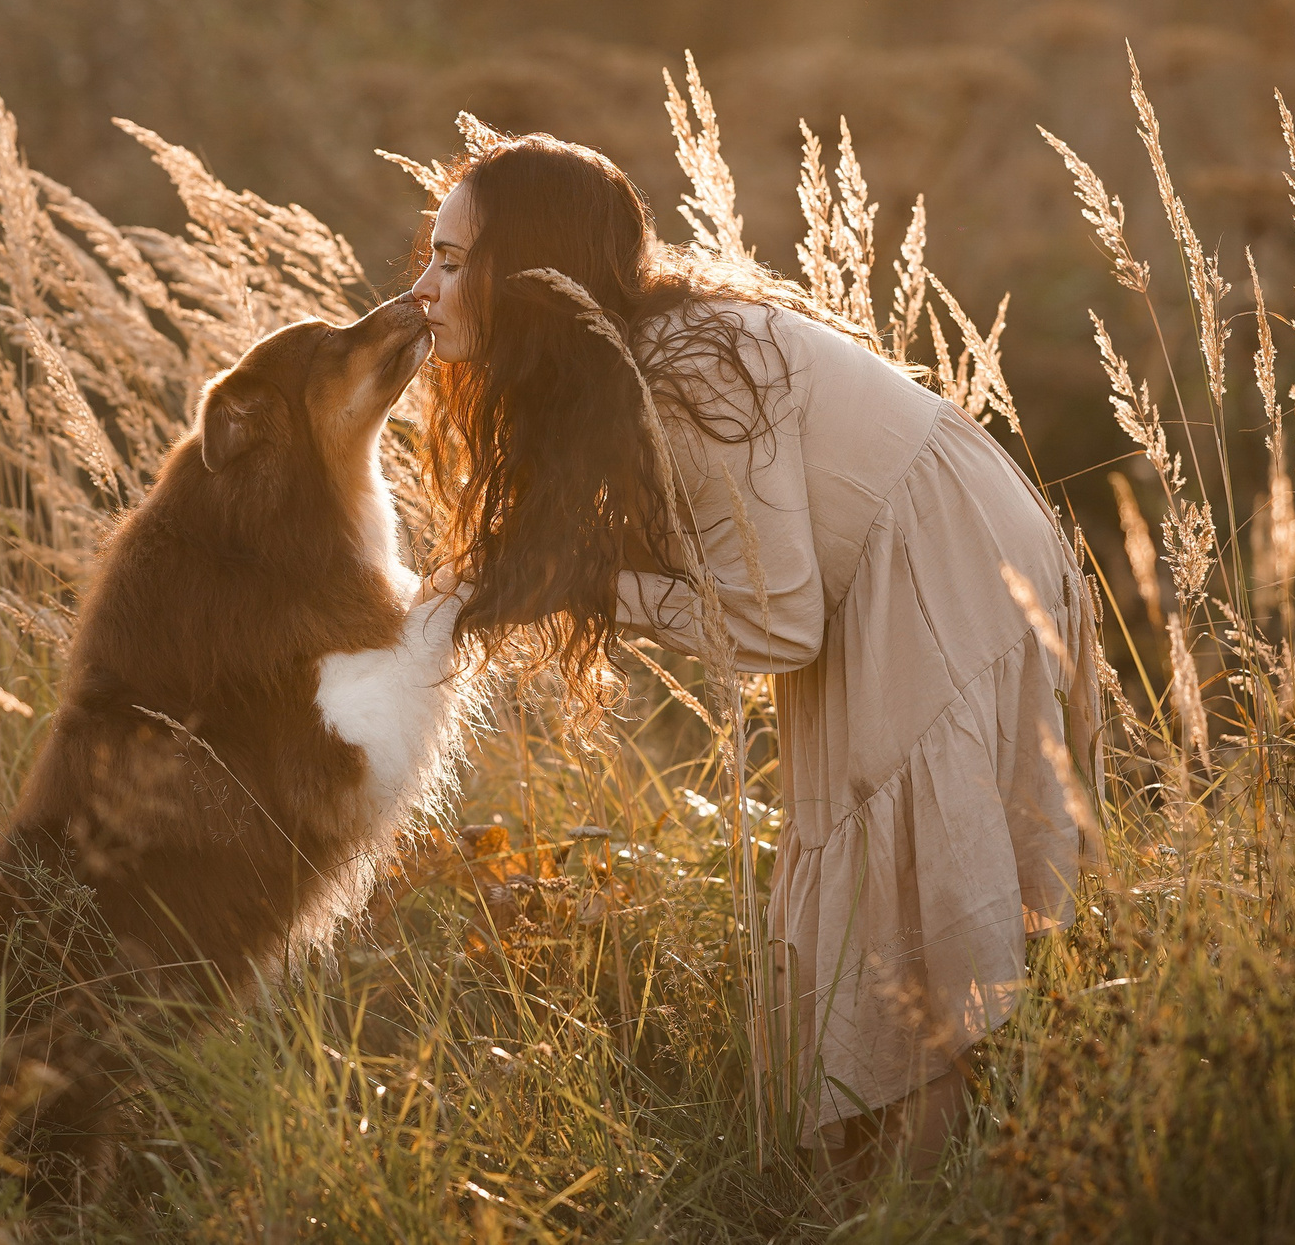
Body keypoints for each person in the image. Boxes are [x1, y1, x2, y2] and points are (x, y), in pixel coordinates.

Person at [403, 131, 1101, 1186]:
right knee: (871, 884)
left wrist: (585, 582)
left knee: (897, 896)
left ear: (530, 269)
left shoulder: (685, 372)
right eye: (435, 254)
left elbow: (775, 626)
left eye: (454, 261)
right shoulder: (638, 359)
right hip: (905, 557)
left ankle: (909, 1203)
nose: (426, 285)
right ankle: (883, 1196)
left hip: (939, 556)